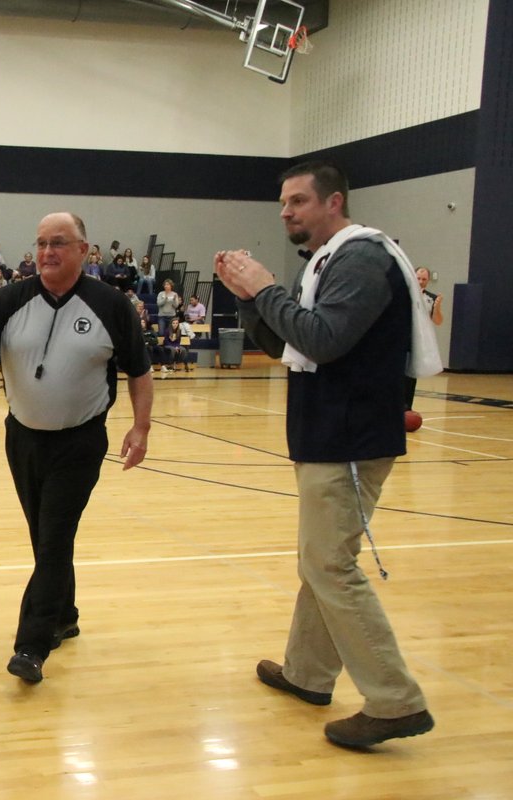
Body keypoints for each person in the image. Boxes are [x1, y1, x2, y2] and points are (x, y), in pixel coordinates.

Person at [215, 160, 440, 749]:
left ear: (333, 202)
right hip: (328, 434)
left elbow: (322, 340)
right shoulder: (327, 262)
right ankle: (308, 674)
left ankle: (395, 700)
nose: (285, 212)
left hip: (349, 438)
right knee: (320, 560)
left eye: (297, 202)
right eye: (283, 203)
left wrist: (264, 286)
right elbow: (281, 340)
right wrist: (247, 298)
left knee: (330, 566)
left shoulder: (361, 259)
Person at [0, 212, 153, 684]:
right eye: (41, 243)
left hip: (80, 440)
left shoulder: (111, 305)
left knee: (55, 536)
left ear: (84, 250)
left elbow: (139, 372)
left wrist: (141, 427)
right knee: (44, 538)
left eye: (59, 242)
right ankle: (65, 613)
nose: (47, 252)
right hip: (21, 437)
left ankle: (32, 644)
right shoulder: (8, 299)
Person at [405, 267, 445, 410]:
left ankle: (406, 408)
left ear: (428, 281)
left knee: (410, 376)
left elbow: (438, 321)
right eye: (418, 278)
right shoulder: (404, 294)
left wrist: (437, 307)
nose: (421, 282)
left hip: (415, 342)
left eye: (424, 279)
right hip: (400, 340)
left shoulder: (431, 298)